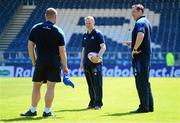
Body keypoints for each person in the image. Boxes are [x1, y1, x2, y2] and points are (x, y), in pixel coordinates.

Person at [21, 8, 69, 117]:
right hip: (53, 62)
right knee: (50, 87)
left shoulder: (35, 28)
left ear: (45, 16)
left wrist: (34, 61)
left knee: (36, 86)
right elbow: (62, 51)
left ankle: (32, 110)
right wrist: (65, 66)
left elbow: (30, 46)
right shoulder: (58, 30)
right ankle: (47, 111)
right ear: (55, 17)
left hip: (40, 61)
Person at [123, 4, 154, 113]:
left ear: (140, 11)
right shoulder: (146, 22)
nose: (132, 14)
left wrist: (134, 49)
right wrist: (132, 44)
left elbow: (140, 35)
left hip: (140, 57)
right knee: (145, 82)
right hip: (145, 57)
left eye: (134, 11)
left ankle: (143, 107)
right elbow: (144, 38)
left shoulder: (140, 22)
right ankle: (149, 106)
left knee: (140, 82)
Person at [80, 16, 106, 110]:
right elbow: (83, 50)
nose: (88, 24)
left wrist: (98, 56)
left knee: (97, 84)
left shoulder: (98, 34)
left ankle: (98, 104)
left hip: (96, 64)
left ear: (93, 23)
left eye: (90, 22)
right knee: (90, 84)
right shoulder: (84, 35)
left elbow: (103, 47)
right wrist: (82, 62)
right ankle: (92, 102)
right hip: (86, 64)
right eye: (86, 23)